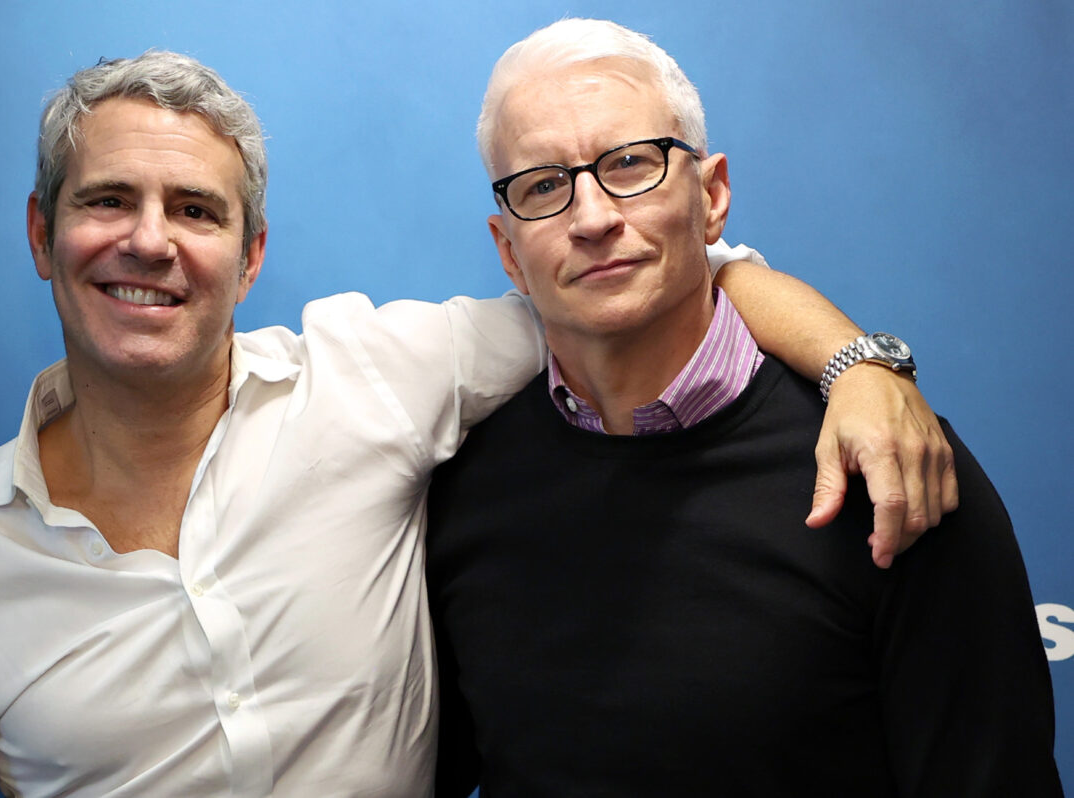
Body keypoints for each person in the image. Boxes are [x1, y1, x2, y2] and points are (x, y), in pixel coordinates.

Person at [0, 50, 957, 796]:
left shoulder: (374, 377)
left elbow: (650, 277)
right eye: (106, 202)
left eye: (195, 210)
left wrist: (857, 366)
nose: (151, 242)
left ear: (251, 255)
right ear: (42, 237)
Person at [426, 19, 1061, 796]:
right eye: (544, 186)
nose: (591, 217)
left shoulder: (887, 467)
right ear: (507, 249)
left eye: (631, 163)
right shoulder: (465, 487)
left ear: (713, 196)